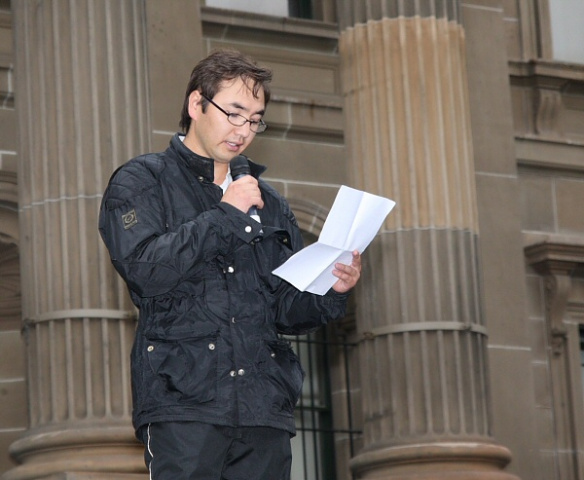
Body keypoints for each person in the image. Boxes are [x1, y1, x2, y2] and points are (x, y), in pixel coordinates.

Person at [98, 49, 361, 480]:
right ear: (196, 104)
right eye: (234, 113)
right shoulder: (142, 180)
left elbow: (283, 309)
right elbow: (147, 271)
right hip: (184, 403)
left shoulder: (269, 201)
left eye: (255, 119)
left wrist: (331, 288)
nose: (244, 130)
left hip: (263, 408)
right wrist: (226, 216)